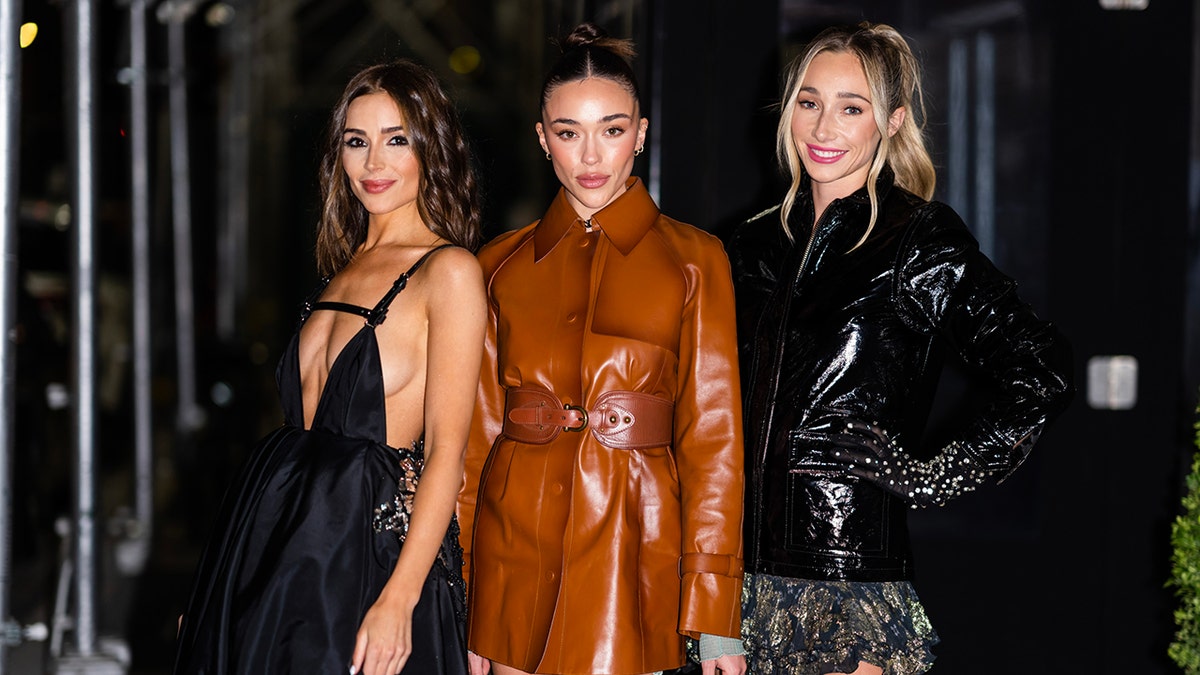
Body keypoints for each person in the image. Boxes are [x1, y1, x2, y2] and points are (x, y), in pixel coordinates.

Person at [726, 22, 1074, 675]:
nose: (823, 127)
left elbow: (1041, 368)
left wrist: (933, 473)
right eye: (809, 101)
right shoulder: (749, 248)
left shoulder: (916, 239)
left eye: (851, 107)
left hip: (847, 583)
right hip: (733, 587)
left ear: (891, 120)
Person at [173, 59, 486, 675]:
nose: (374, 163)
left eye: (397, 140)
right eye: (356, 141)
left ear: (432, 148)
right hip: (275, 541)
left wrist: (400, 596)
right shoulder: (340, 268)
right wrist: (225, 584)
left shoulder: (447, 272)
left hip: (361, 557)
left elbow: (448, 453)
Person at [456, 22, 747, 675]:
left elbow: (715, 447)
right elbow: (472, 444)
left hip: (635, 552)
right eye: (569, 132)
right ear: (542, 139)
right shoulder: (497, 264)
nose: (592, 154)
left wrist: (716, 617)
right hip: (514, 559)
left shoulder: (696, 260)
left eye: (612, 130)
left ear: (641, 133)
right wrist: (471, 596)